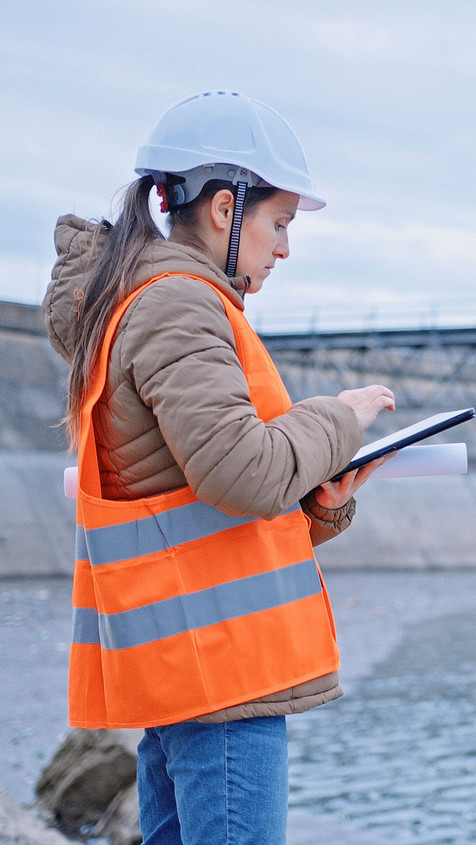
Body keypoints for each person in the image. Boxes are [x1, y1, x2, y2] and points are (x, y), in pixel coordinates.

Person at [42, 90, 395, 844]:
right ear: (226, 210)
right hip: (222, 681)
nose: (286, 248)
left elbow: (200, 512)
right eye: (280, 222)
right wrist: (341, 415)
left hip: (185, 670)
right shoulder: (179, 305)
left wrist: (324, 501)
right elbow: (243, 474)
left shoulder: (150, 301)